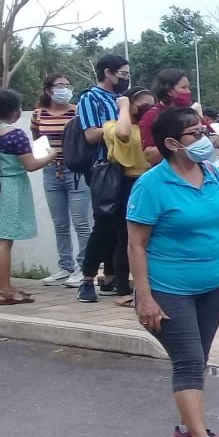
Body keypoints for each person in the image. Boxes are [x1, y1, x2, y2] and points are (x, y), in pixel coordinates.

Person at [127, 105, 219, 437]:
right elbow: (136, 245)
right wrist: (144, 296)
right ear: (170, 143)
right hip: (168, 288)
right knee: (189, 361)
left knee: (198, 356)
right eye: (194, 134)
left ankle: (185, 429)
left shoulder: (211, 174)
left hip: (213, 284)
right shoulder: (151, 184)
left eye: (202, 131)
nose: (204, 139)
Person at [0, 89, 56, 304]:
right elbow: (31, 165)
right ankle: (6, 293)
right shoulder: (15, 134)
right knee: (5, 241)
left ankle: (1, 286)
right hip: (11, 189)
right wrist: (50, 154)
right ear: (15, 112)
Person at [75, 54, 131, 303]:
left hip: (125, 167)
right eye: (123, 74)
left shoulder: (122, 100)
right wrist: (116, 126)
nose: (126, 78)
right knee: (103, 223)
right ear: (108, 73)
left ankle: (111, 276)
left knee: (121, 226)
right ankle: (87, 279)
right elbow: (90, 134)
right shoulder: (90, 98)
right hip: (103, 168)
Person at [31, 72, 91, 287]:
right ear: (49, 90)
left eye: (67, 85)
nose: (64, 89)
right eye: (59, 85)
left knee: (82, 223)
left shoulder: (77, 112)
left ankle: (84, 267)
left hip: (75, 171)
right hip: (50, 171)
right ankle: (64, 265)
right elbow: (37, 140)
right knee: (60, 224)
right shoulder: (38, 114)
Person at [103, 86, 155, 307]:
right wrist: (123, 108)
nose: (147, 109)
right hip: (126, 183)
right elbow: (123, 134)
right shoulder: (113, 126)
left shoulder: (149, 126)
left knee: (152, 238)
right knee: (127, 238)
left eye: (150, 105)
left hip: (150, 181)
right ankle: (122, 288)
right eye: (142, 105)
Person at [138, 68, 193, 166]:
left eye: (188, 87)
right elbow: (150, 155)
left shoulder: (189, 113)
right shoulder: (151, 116)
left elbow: (214, 135)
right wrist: (181, 142)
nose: (188, 92)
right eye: (183, 88)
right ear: (168, 91)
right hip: (167, 173)